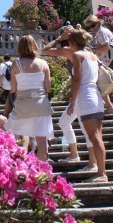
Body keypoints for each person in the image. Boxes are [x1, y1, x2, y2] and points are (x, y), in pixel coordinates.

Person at [41, 27, 95, 168]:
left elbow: (44, 50)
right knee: (65, 122)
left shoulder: (71, 52)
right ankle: (74, 154)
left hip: (81, 95)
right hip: (91, 93)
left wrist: (60, 38)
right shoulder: (88, 52)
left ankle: (91, 163)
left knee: (83, 128)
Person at [61, 27, 108, 182]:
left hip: (85, 96)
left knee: (94, 137)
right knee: (97, 137)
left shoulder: (77, 55)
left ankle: (102, 174)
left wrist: (72, 102)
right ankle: (101, 171)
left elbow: (77, 79)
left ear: (72, 41)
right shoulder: (91, 55)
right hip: (95, 95)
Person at [4, 36, 54, 162]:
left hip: (23, 104)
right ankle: (42, 170)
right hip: (40, 103)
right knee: (42, 140)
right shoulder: (43, 64)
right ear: (34, 46)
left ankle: (22, 166)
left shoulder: (16, 64)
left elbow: (13, 89)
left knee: (18, 135)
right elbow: (48, 88)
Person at [85, 15, 113, 121]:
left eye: (93, 25)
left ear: (98, 23)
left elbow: (106, 46)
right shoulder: (100, 32)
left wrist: (94, 50)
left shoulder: (102, 32)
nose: (92, 28)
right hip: (110, 61)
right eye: (90, 27)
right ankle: (111, 108)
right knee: (100, 85)